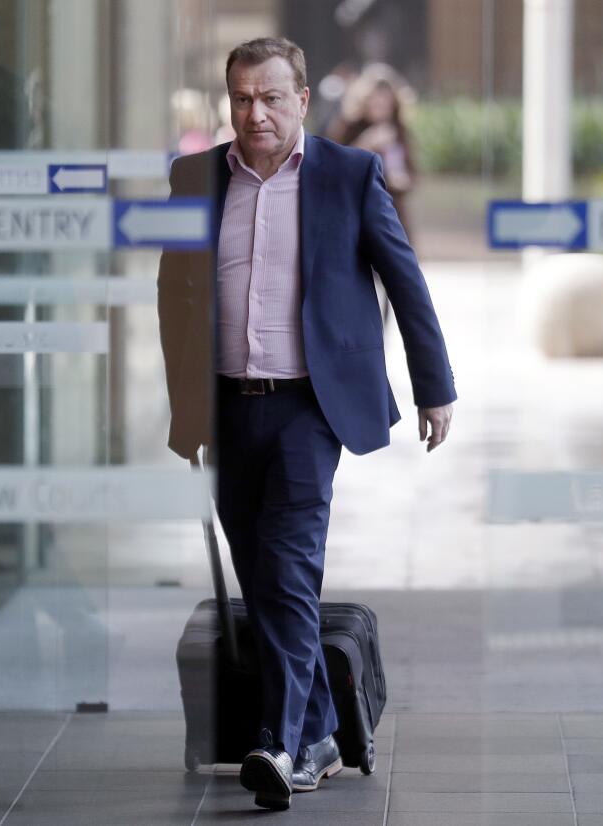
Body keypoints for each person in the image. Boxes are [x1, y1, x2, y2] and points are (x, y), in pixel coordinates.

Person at [157, 37, 455, 811]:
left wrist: (435, 388)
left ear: (303, 98)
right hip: (225, 404)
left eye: (271, 97)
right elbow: (174, 297)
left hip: (308, 407)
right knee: (263, 577)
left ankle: (277, 743)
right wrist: (185, 405)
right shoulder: (193, 178)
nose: (256, 113)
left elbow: (406, 281)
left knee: (287, 567)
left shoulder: (349, 175)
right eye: (243, 99)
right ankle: (322, 731)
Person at [327, 63, 418, 242]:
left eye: (386, 100)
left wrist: (401, 180)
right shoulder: (348, 127)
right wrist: (366, 144)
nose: (380, 104)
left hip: (392, 216)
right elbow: (335, 168)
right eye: (376, 98)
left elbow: (412, 173)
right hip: (355, 214)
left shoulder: (399, 131)